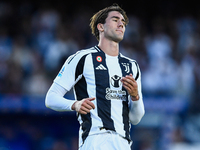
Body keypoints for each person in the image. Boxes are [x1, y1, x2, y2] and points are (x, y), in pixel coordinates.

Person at [45, 4, 145, 150]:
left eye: (123, 22)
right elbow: (50, 98)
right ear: (101, 27)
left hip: (123, 142)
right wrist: (74, 104)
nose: (121, 24)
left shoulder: (131, 66)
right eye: (115, 19)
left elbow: (136, 119)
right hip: (95, 140)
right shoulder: (82, 58)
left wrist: (136, 97)